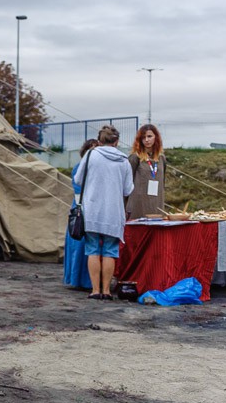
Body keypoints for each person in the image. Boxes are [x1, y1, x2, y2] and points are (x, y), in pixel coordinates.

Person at [75, 125, 134, 300]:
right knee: (110, 250)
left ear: (100, 141)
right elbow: (127, 190)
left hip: (92, 209)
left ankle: (95, 290)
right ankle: (107, 290)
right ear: (116, 141)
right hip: (114, 211)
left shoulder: (91, 155)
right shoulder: (124, 161)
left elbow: (78, 179)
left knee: (92, 249)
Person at [63, 139, 99, 289]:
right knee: (80, 244)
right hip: (82, 208)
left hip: (87, 206)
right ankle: (80, 279)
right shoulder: (79, 167)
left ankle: (87, 279)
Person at [127, 124, 167, 219]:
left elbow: (163, 182)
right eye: (143, 137)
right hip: (139, 205)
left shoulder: (161, 158)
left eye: (149, 136)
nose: (147, 140)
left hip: (157, 203)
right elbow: (127, 183)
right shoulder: (135, 158)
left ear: (156, 137)